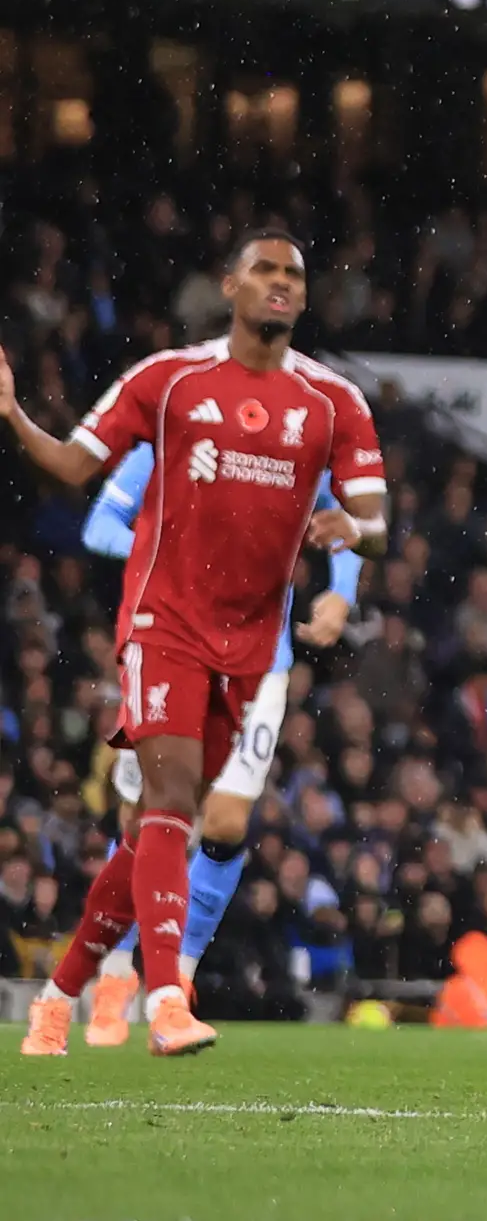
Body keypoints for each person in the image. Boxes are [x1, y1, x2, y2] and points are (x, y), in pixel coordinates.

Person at [7, 230, 390, 1059]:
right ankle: (165, 993)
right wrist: (11, 414)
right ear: (230, 287)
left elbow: (379, 521)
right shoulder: (171, 380)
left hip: (255, 646)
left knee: (161, 825)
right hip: (164, 622)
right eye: (265, 270)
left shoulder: (333, 403)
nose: (280, 283)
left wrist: (352, 532)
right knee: (179, 799)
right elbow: (78, 469)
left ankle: (58, 994)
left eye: (294, 273)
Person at [64, 413, 366, 1048]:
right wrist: (169, 551)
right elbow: (99, 527)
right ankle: (116, 972)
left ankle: (177, 983)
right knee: (144, 821)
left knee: (225, 825)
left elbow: (346, 520)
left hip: (261, 666)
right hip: (171, 652)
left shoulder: (290, 451)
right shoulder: (170, 442)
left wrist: (340, 593)